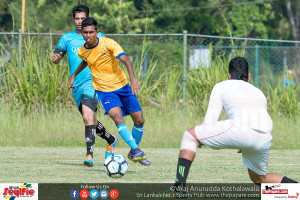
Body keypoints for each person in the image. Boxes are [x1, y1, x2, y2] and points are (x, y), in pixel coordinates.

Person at [168, 57, 297, 196]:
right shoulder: (258, 92)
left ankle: (177, 189)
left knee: (189, 136)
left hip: (240, 129)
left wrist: (200, 139)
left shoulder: (222, 85)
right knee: (260, 178)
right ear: (249, 76)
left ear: (229, 75)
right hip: (265, 134)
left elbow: (210, 121)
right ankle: (296, 193)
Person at [67, 17, 151, 166]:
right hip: (104, 91)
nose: (88, 35)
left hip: (123, 86)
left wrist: (133, 79)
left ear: (96, 32)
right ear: (82, 34)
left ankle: (133, 150)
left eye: (91, 32)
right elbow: (85, 60)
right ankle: (136, 149)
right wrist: (73, 76)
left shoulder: (109, 43)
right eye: (85, 32)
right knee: (117, 118)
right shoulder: (82, 51)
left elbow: (126, 60)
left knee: (139, 121)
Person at [52, 4, 117, 167]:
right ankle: (110, 139)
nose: (80, 22)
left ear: (87, 18)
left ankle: (89, 155)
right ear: (73, 19)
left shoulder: (98, 36)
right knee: (91, 119)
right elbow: (58, 55)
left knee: (88, 117)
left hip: (93, 82)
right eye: (77, 18)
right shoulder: (67, 38)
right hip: (76, 86)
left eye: (83, 18)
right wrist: (56, 59)